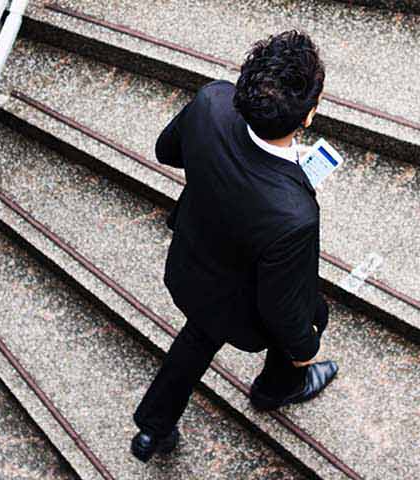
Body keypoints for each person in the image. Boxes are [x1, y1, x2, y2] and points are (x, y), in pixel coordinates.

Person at [130, 31, 337, 462]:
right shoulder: (295, 215)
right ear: (309, 115)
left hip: (192, 264)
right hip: (241, 301)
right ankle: (276, 389)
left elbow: (167, 150)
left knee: (198, 336)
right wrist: (306, 351)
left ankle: (153, 429)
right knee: (313, 312)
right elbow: (283, 308)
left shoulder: (212, 103)